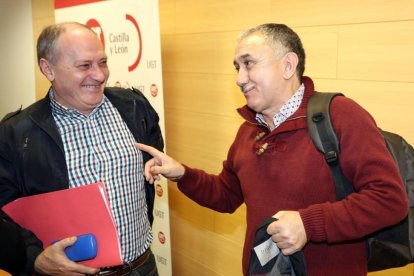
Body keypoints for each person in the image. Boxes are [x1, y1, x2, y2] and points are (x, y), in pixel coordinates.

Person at [136, 23, 408, 276]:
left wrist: (308, 223)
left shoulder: (341, 115)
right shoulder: (248, 131)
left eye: (249, 64)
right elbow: (226, 195)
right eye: (237, 67)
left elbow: (389, 200)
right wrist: (182, 173)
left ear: (288, 65)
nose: (240, 79)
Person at [0, 22, 163, 275]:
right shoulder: (16, 133)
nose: (99, 75)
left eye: (103, 62)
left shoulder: (134, 107)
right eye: (84, 66)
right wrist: (32, 260)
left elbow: (154, 156)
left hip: (143, 267)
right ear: (48, 69)